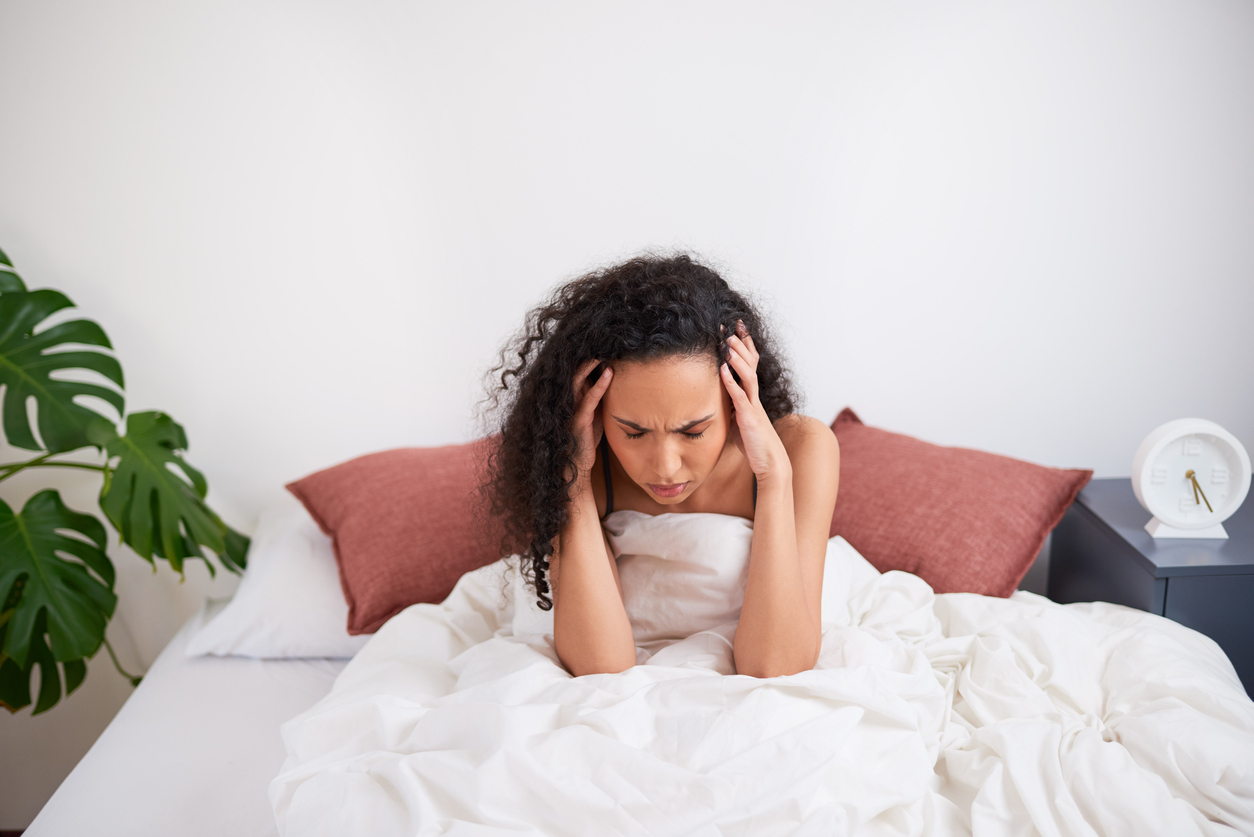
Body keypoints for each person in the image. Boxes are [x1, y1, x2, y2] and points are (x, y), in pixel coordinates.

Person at [485, 254, 840, 678]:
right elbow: (600, 666)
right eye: (633, 433)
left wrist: (774, 479)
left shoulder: (802, 448)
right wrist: (573, 480)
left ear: (736, 396)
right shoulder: (585, 463)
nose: (666, 468)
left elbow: (776, 665)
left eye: (693, 432)